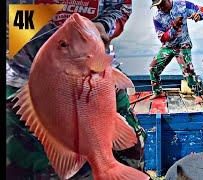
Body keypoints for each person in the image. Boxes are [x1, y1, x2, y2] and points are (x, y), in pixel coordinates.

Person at [6, 0, 146, 178]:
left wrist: (102, 26)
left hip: (97, 78)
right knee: (26, 169)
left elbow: (121, 6)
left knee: (129, 154)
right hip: (24, 85)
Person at [149, 0, 203, 103]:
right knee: (153, 68)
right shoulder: (157, 18)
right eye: (157, 6)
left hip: (183, 44)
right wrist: (174, 27)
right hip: (168, 46)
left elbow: (202, 10)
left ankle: (197, 94)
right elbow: (162, 38)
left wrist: (199, 15)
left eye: (162, 4)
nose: (160, 8)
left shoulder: (183, 5)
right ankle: (158, 92)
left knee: (188, 70)